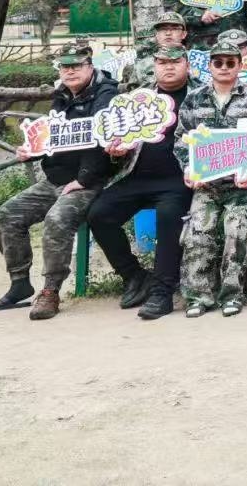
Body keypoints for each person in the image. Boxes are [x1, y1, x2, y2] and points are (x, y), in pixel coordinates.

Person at [0, 43, 117, 319]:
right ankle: (19, 283)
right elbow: (54, 136)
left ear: (89, 66)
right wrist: (32, 150)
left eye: (76, 65)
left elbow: (101, 141)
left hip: (89, 181)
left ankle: (50, 291)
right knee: (8, 214)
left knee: (57, 219)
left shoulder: (106, 95)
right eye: (65, 66)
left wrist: (84, 179)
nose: (70, 71)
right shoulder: (61, 94)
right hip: (55, 179)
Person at [86, 46, 197, 320]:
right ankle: (135, 276)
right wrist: (116, 150)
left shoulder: (200, 96)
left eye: (175, 61)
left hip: (179, 179)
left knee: (169, 217)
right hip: (135, 176)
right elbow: (117, 137)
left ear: (187, 65)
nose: (168, 66)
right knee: (99, 214)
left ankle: (162, 291)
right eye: (162, 62)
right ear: (154, 66)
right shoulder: (137, 99)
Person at [176, 44, 247, 317]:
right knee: (198, 234)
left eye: (231, 62)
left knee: (235, 234)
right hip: (207, 184)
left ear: (240, 65)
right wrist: (188, 168)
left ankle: (232, 294)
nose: (225, 68)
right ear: (210, 66)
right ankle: (198, 296)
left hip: (241, 184)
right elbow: (182, 139)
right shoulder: (194, 98)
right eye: (218, 63)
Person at [121, 11, 189, 89]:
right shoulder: (141, 65)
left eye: (174, 29)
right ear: (156, 34)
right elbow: (131, 92)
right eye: (163, 29)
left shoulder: (196, 61)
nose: (168, 33)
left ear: (184, 34)